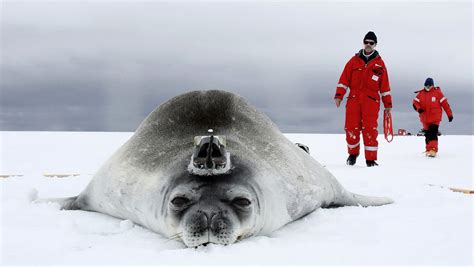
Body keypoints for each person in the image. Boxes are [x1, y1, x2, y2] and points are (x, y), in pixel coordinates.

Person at [334, 31, 392, 167]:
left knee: (370, 129)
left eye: (371, 43)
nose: (368, 45)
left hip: (371, 102)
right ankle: (353, 155)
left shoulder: (380, 65)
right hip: (353, 100)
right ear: (363, 43)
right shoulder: (353, 61)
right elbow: (344, 80)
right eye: (366, 42)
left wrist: (388, 104)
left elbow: (385, 86)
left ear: (375, 45)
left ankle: (370, 159)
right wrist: (339, 95)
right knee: (351, 128)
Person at [412, 78, 453, 157]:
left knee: (433, 133)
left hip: (435, 118)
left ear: (432, 85)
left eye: (429, 85)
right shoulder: (420, 94)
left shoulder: (438, 93)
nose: (427, 87)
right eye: (426, 85)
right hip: (424, 118)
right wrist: (419, 109)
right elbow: (415, 102)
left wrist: (449, 115)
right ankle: (428, 149)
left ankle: (433, 149)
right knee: (427, 134)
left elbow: (445, 104)